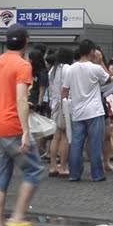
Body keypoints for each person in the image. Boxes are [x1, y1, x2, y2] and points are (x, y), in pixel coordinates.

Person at [0, 25, 43, 226]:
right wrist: (26, 131)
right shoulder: (22, 65)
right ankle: (18, 217)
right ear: (26, 42)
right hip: (12, 126)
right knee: (34, 169)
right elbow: (21, 98)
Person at [63, 40, 113, 182]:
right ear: (92, 52)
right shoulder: (95, 68)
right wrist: (101, 61)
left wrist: (66, 109)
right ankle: (97, 174)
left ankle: (74, 174)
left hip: (77, 111)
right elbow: (108, 79)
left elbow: (65, 91)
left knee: (76, 144)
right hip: (94, 111)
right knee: (95, 144)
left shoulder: (70, 69)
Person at [47, 45, 72, 176]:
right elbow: (67, 89)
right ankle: (62, 167)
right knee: (64, 137)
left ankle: (52, 166)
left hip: (54, 105)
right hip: (64, 105)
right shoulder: (67, 68)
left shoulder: (53, 70)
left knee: (55, 137)